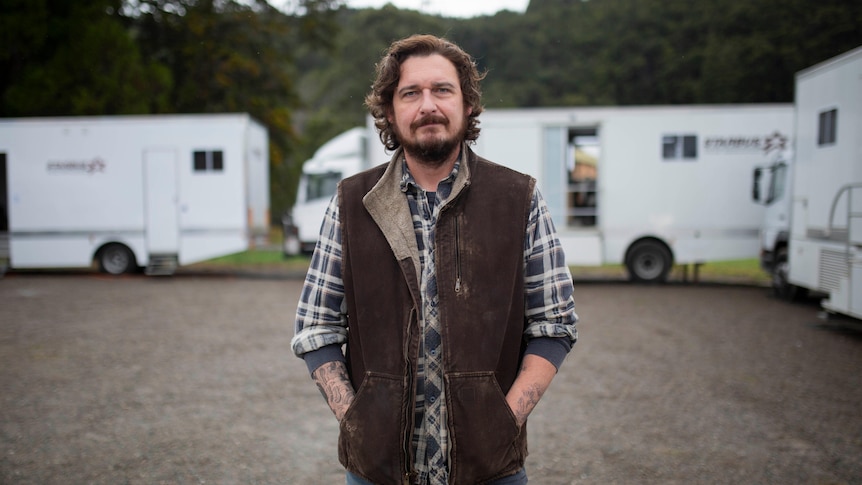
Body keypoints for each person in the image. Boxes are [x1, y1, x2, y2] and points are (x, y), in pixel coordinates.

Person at [291, 34, 578, 485]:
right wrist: (356, 419)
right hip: (377, 474)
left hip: (491, 472)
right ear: (389, 111)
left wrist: (505, 419)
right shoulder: (351, 203)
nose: (428, 105)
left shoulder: (519, 198)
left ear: (467, 105)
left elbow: (554, 323)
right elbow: (316, 326)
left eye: (442, 90)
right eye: (411, 93)